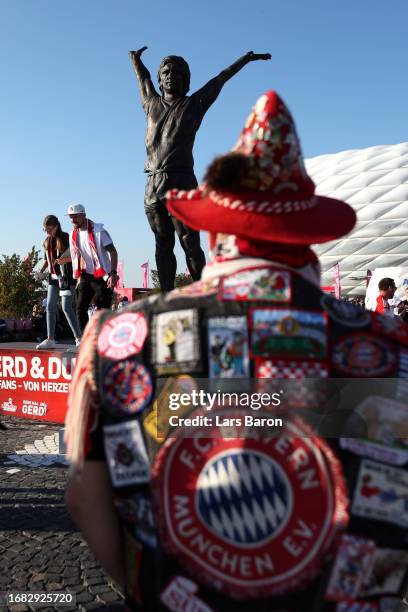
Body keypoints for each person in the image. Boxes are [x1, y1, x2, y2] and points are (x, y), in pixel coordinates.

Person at [65, 92, 408, 610]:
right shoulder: (391, 344)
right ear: (308, 234)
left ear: (215, 228)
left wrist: (148, 594)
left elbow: (83, 496)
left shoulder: (118, 337)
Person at [129, 47, 271, 291]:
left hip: (181, 182)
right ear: (160, 79)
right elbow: (143, 79)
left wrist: (245, 59)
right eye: (166, 72)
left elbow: (221, 78)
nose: (171, 76)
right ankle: (167, 296)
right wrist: (135, 59)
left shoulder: (194, 104)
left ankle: (203, 293)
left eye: (177, 72)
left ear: (186, 81)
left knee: (189, 242)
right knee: (162, 243)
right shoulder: (150, 103)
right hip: (152, 184)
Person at [60, 203, 119, 332]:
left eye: (75, 216)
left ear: (83, 215)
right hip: (86, 274)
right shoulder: (73, 234)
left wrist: (113, 273)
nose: (72, 220)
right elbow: (77, 256)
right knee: (80, 307)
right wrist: (79, 275)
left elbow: (113, 252)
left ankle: (103, 341)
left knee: (102, 309)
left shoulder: (99, 231)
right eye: (70, 217)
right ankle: (86, 340)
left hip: (103, 275)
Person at [35, 215, 81, 349]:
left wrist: (65, 260)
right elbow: (46, 260)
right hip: (53, 278)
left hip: (66, 278)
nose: (47, 232)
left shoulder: (66, 237)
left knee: (66, 307)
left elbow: (77, 255)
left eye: (49, 229)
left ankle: (79, 339)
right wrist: (41, 271)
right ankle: (50, 339)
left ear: (56, 226)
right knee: (49, 306)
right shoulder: (47, 241)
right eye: (45, 229)